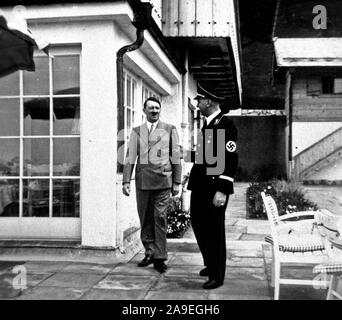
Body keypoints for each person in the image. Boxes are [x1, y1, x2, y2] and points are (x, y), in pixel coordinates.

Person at [186, 83, 238, 289]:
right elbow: (206, 157)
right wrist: (184, 154)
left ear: (208, 101)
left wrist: (223, 190)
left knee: (214, 230)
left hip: (215, 188)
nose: (196, 103)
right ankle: (210, 262)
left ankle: (217, 274)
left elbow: (230, 159)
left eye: (199, 100)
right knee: (199, 224)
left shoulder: (226, 124)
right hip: (200, 186)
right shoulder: (208, 124)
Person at [122, 97, 182, 273]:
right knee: (145, 218)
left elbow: (176, 156)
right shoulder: (136, 131)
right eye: (151, 108)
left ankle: (160, 257)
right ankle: (149, 251)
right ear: (144, 110)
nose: (155, 110)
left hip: (163, 181)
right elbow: (130, 157)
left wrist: (177, 181)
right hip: (143, 182)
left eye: (157, 108)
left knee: (160, 218)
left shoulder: (170, 129)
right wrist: (126, 180)